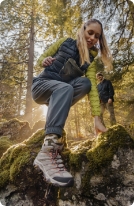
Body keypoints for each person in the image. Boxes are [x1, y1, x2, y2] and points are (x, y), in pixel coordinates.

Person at [31, 19, 113, 187]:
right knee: (65, 89)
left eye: (97, 36)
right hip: (42, 86)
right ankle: (48, 151)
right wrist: (44, 60)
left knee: (86, 84)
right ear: (83, 30)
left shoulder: (89, 60)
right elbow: (41, 57)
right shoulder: (65, 42)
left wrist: (96, 117)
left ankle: (54, 123)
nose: (92, 38)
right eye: (90, 32)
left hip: (59, 92)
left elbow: (92, 91)